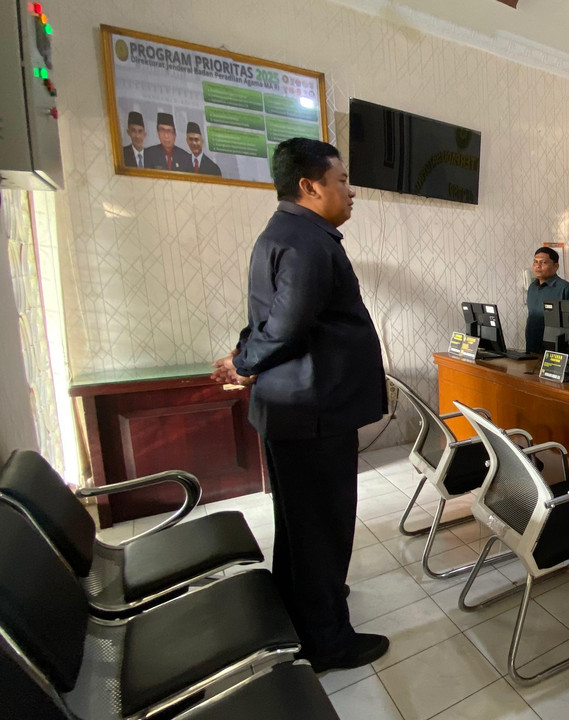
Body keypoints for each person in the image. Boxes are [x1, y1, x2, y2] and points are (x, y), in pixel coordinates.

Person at [210, 138, 389, 672]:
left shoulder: (283, 232)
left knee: (299, 524)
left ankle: (300, 610)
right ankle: (327, 641)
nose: (350, 192)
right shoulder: (308, 241)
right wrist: (244, 363)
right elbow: (288, 326)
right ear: (310, 186)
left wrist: (242, 356)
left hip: (295, 406)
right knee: (323, 529)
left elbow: (269, 319)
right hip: (314, 409)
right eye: (342, 181)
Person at [525, 246, 569, 352]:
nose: (538, 266)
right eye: (535, 262)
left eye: (543, 262)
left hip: (555, 352)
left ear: (556, 266)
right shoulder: (532, 288)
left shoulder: (566, 289)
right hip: (532, 349)